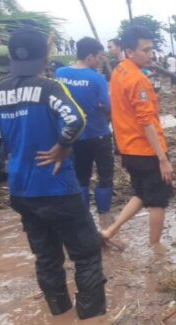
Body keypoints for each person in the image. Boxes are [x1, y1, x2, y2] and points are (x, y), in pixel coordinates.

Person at [0, 27, 106, 320]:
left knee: (47, 259)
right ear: (45, 55)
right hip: (58, 188)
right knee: (85, 255)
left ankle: (59, 318)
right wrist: (62, 146)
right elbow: (77, 120)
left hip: (22, 191)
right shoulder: (49, 88)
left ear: (11, 56)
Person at [102, 25, 173, 246]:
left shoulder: (118, 71)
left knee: (142, 194)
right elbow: (146, 122)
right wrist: (162, 159)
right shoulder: (137, 79)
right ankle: (155, 254)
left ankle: (109, 230)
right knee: (158, 202)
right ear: (130, 52)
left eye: (151, 49)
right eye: (145, 50)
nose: (150, 54)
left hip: (129, 149)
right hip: (146, 150)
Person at [54, 37, 114, 224]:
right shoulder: (96, 78)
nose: (99, 61)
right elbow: (107, 105)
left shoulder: (60, 74)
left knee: (81, 178)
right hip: (98, 133)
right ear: (89, 57)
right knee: (105, 176)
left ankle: (84, 218)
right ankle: (104, 217)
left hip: (73, 136)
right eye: (98, 57)